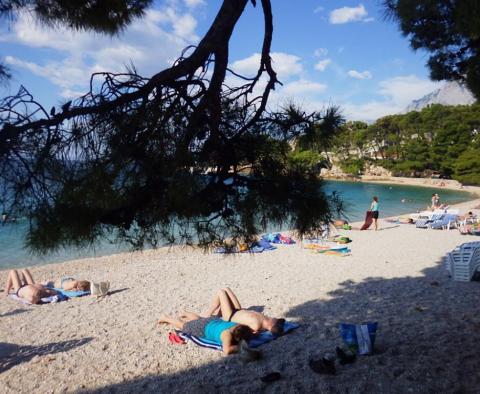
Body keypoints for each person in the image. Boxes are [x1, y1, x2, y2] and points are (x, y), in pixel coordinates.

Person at [158, 313, 254, 355]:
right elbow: (226, 350)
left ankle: (185, 313)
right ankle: (166, 318)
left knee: (199, 320)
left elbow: (248, 330)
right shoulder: (227, 335)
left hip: (212, 321)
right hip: (203, 328)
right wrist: (241, 347)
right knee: (184, 326)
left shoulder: (237, 325)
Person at [202, 288, 285, 335]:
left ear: (272, 325)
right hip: (238, 310)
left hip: (230, 316)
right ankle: (217, 313)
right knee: (226, 289)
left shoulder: (256, 326)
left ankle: (208, 314)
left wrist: (254, 334)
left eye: (276, 320)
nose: (275, 318)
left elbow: (243, 331)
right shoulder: (266, 319)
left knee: (221, 292)